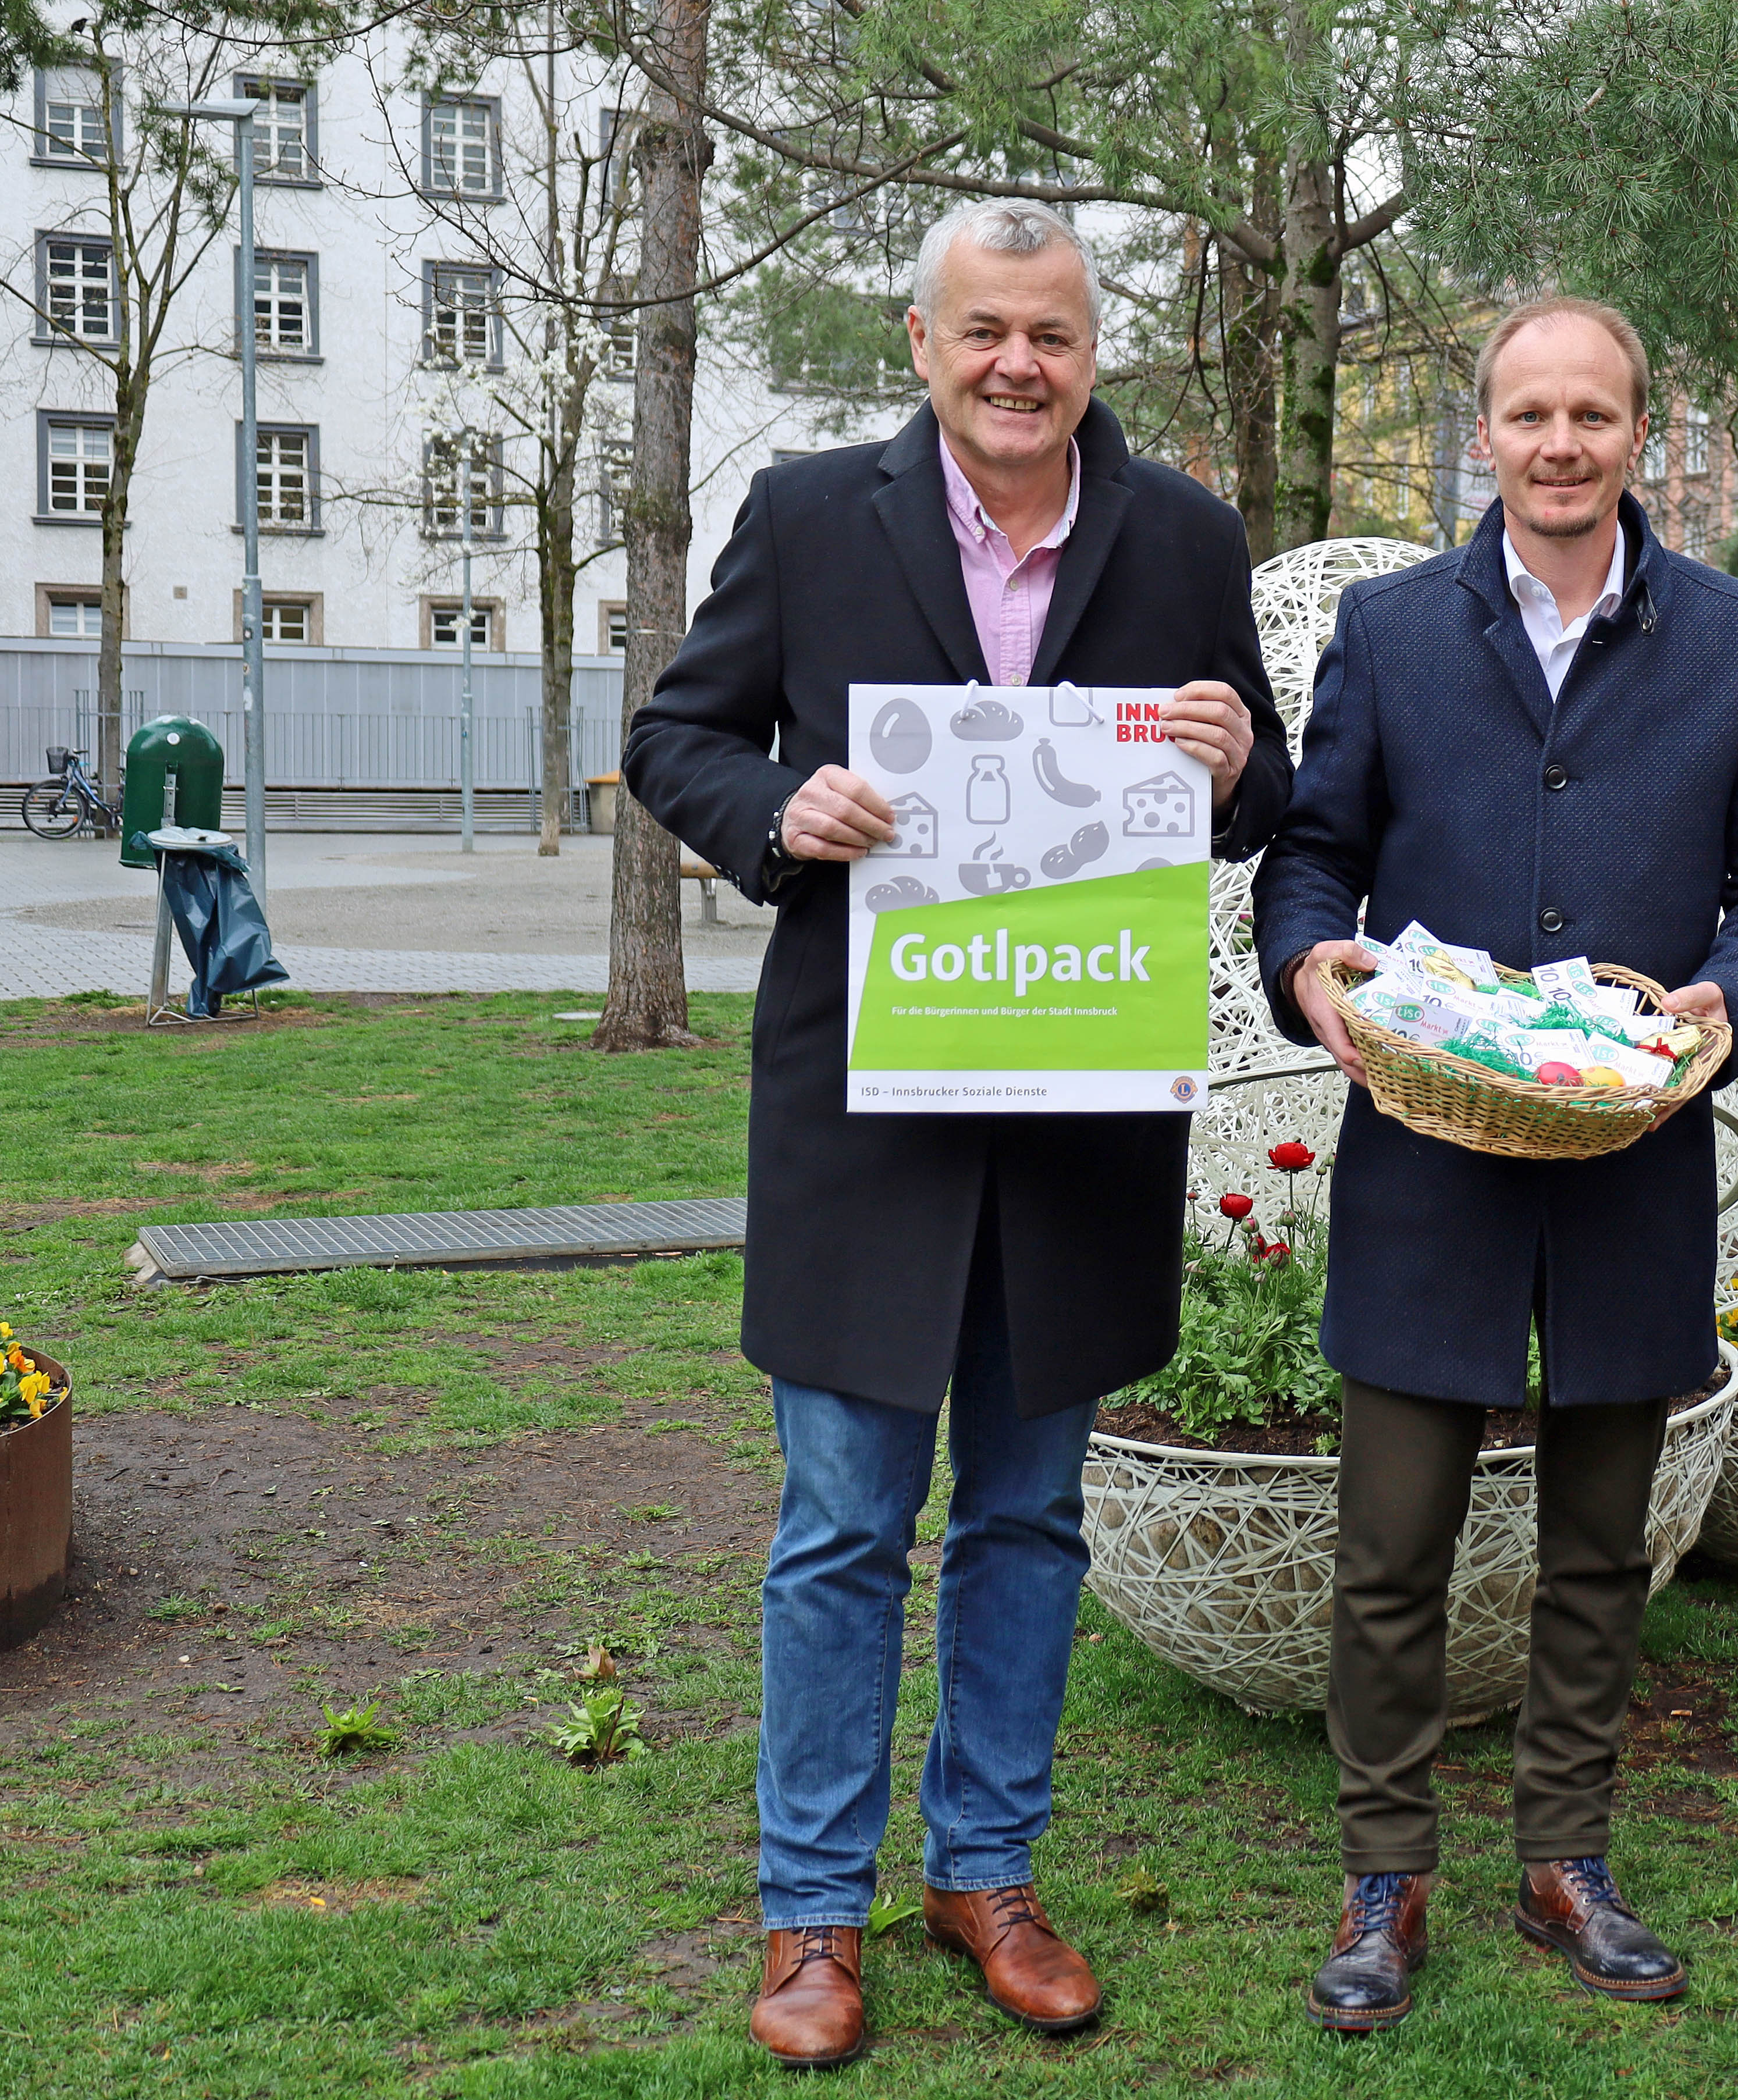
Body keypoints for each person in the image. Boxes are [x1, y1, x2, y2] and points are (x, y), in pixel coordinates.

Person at [621, 198, 1290, 2069]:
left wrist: (1241, 769)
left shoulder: (1182, 538)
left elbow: (1264, 803)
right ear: (922, 342)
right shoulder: (811, 515)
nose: (1019, 365)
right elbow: (678, 736)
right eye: (985, 331)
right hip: (866, 1118)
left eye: (1054, 337)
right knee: (841, 1526)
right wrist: (783, 807)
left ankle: (984, 1872)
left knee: (1025, 1519)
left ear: (1096, 354)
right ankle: (811, 1913)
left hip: (1075, 1128)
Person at [1253, 294, 1738, 2032]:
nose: (1561, 444)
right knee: (1393, 1540)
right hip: (1430, 1151)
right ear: (1482, 432)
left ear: (1639, 433)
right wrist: (1309, 970)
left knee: (1600, 1541)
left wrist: (1729, 999)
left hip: (1631, 1147)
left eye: (1593, 414)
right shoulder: (1390, 627)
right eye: (1529, 415)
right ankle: (1385, 1872)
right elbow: (1314, 854)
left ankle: (1564, 1855)